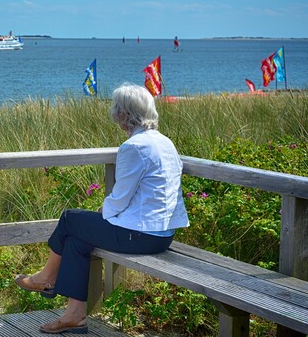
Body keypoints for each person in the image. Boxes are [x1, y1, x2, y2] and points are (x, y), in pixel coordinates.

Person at [14, 83, 189, 334]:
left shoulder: (134, 146)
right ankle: (74, 315)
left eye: (116, 108)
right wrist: (107, 212)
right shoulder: (165, 142)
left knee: (69, 218)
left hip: (140, 235)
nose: (114, 112)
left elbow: (120, 197)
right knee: (76, 240)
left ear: (123, 115)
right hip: (162, 234)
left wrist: (104, 211)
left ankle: (45, 278)